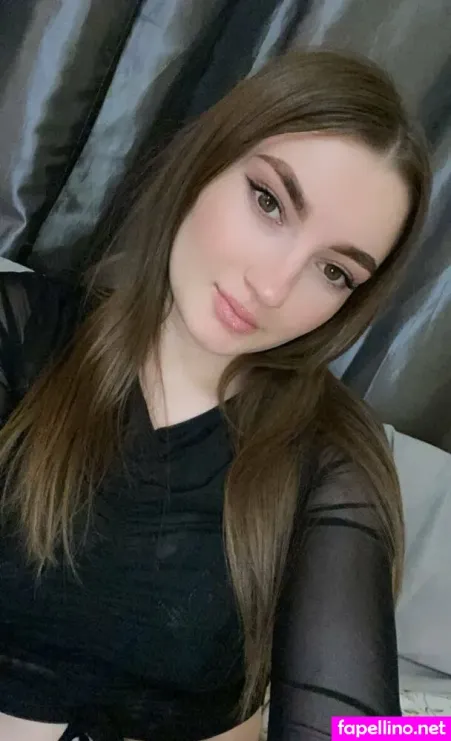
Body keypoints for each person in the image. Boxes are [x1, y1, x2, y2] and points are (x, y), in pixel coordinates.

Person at [0, 49, 430, 741]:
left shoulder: (330, 457)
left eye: (333, 271)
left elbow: (353, 727)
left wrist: (427, 730)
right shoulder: (18, 334)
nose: (273, 287)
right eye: (269, 202)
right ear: (208, 161)